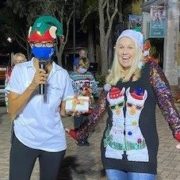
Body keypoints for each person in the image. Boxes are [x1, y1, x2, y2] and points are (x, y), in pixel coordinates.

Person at [66, 29, 180, 180]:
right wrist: (80, 131)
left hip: (142, 154)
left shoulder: (151, 71)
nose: (124, 52)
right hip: (112, 152)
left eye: (130, 47)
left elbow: (167, 104)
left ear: (139, 50)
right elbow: (99, 110)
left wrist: (178, 132)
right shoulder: (112, 77)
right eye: (121, 47)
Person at [6, 15, 74, 180]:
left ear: (54, 44)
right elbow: (12, 111)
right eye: (38, 43)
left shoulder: (62, 75)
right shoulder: (20, 71)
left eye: (46, 43)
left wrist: (77, 107)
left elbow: (65, 111)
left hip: (53, 142)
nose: (42, 47)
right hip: (24, 139)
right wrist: (32, 86)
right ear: (31, 44)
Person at [69, 56, 98, 146]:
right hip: (77, 101)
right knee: (78, 121)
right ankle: (78, 139)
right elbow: (69, 88)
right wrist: (78, 92)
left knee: (86, 122)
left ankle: (84, 139)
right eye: (82, 66)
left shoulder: (89, 75)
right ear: (78, 65)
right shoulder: (72, 75)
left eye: (86, 67)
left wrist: (94, 92)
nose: (84, 69)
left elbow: (94, 86)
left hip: (88, 102)